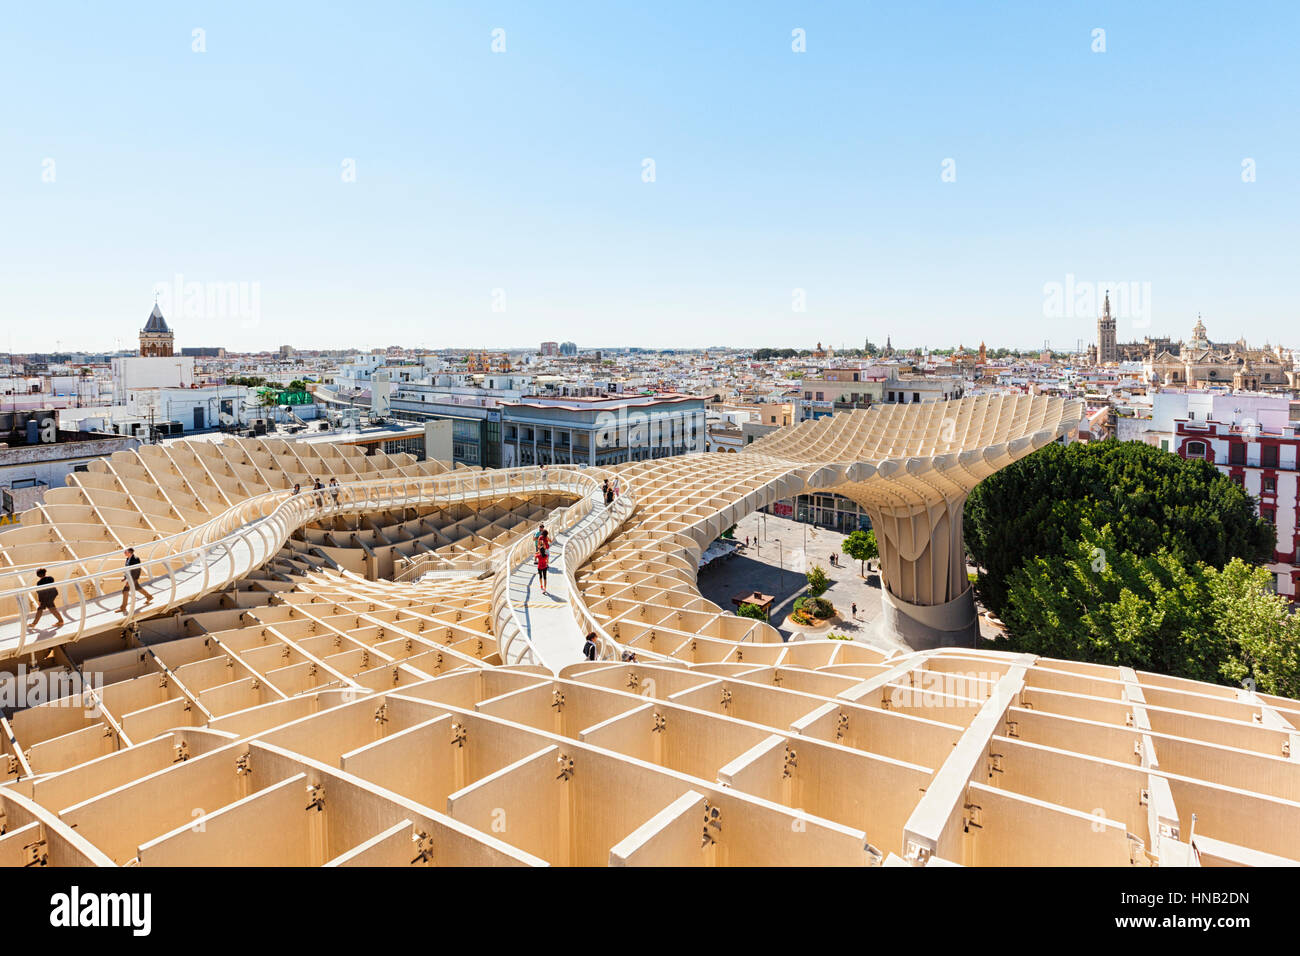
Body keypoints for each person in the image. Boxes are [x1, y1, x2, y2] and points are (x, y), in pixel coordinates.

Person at [117, 547, 154, 613]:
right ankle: (149, 597)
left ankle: (123, 608)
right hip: (130, 577)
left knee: (125, 591)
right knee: (137, 587)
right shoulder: (128, 559)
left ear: (130, 552)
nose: (124, 553)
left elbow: (137, 570)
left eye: (126, 552)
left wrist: (130, 580)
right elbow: (127, 569)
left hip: (133, 578)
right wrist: (125, 578)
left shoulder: (136, 559)